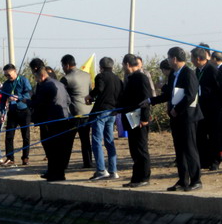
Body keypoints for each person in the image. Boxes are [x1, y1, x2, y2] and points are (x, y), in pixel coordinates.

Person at [147, 47, 203, 191]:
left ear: (174, 59)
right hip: (176, 118)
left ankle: (196, 180)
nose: (168, 61)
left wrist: (177, 109)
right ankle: (183, 180)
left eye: (169, 58)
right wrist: (151, 101)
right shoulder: (173, 74)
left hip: (188, 117)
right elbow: (169, 94)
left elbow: (190, 95)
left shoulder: (188, 73)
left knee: (190, 149)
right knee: (179, 150)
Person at [29, 58, 73, 182]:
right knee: (59, 148)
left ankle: (55, 174)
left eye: (36, 78)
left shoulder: (45, 86)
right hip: (64, 118)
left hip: (52, 121)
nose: (36, 81)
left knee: (52, 148)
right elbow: (68, 100)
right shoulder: (59, 84)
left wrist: (27, 101)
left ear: (41, 76)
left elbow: (39, 103)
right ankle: (57, 173)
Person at [117, 54, 152, 188]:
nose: (123, 68)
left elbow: (146, 99)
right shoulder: (130, 78)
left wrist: (144, 118)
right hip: (131, 119)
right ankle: (136, 178)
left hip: (139, 119)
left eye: (123, 65)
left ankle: (144, 177)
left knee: (141, 149)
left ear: (127, 64)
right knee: (134, 150)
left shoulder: (141, 78)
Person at [86, 56, 123, 180]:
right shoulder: (118, 79)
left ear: (101, 67)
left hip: (101, 112)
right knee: (109, 141)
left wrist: (90, 96)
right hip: (112, 113)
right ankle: (113, 170)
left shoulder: (100, 77)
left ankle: (101, 170)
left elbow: (100, 89)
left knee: (96, 141)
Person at [60, 54, 94, 169]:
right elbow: (90, 92)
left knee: (68, 140)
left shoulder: (66, 78)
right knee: (86, 140)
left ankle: (64, 163)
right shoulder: (87, 75)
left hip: (74, 113)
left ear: (67, 65)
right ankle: (88, 162)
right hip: (87, 112)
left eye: (63, 66)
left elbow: (60, 94)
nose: (63, 69)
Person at [190, 47, 220, 170]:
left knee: (213, 135)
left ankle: (215, 161)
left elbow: (221, 89)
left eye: (192, 58)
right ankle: (204, 160)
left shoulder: (212, 69)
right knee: (200, 135)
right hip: (199, 107)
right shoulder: (196, 71)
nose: (191, 61)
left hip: (212, 108)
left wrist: (219, 106)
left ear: (198, 58)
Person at [0, 64, 33, 166]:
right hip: (12, 111)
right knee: (9, 136)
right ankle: (10, 158)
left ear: (15, 71)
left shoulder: (23, 80)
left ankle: (25, 157)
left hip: (24, 111)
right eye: (5, 75)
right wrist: (2, 111)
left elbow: (29, 94)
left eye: (9, 75)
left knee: (25, 135)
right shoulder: (6, 84)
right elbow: (3, 99)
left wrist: (18, 97)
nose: (7, 77)